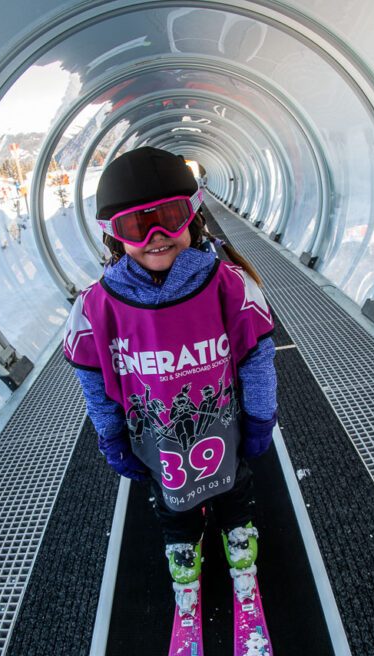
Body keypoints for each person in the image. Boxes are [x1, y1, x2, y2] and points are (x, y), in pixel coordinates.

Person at [62, 146, 277, 627]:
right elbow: (93, 378)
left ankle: (242, 558)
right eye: (137, 227)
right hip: (161, 449)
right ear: (114, 235)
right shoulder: (98, 307)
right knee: (174, 510)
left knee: (235, 495)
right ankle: (185, 571)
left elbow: (256, 356)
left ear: (194, 216)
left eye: (169, 218)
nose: (155, 237)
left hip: (225, 435)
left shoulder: (229, 285)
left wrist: (261, 417)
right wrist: (111, 436)